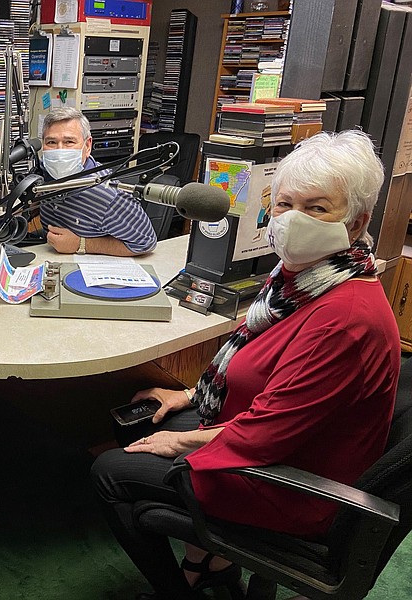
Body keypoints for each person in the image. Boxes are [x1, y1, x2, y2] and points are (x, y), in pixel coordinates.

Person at [91, 130, 400, 600]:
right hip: (278, 439)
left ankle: (181, 589)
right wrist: (190, 396)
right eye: (284, 203)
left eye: (317, 208)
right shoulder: (305, 277)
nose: (294, 219)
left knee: (110, 471)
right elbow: (261, 369)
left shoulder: (346, 319)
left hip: (294, 485)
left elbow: (267, 432)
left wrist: (181, 439)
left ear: (355, 224)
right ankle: (208, 563)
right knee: (137, 421)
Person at [38, 107, 157, 256]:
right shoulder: (44, 173)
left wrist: (80, 244)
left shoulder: (109, 196)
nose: (60, 150)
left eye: (69, 142)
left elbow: (146, 243)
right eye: (51, 142)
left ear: (87, 146)